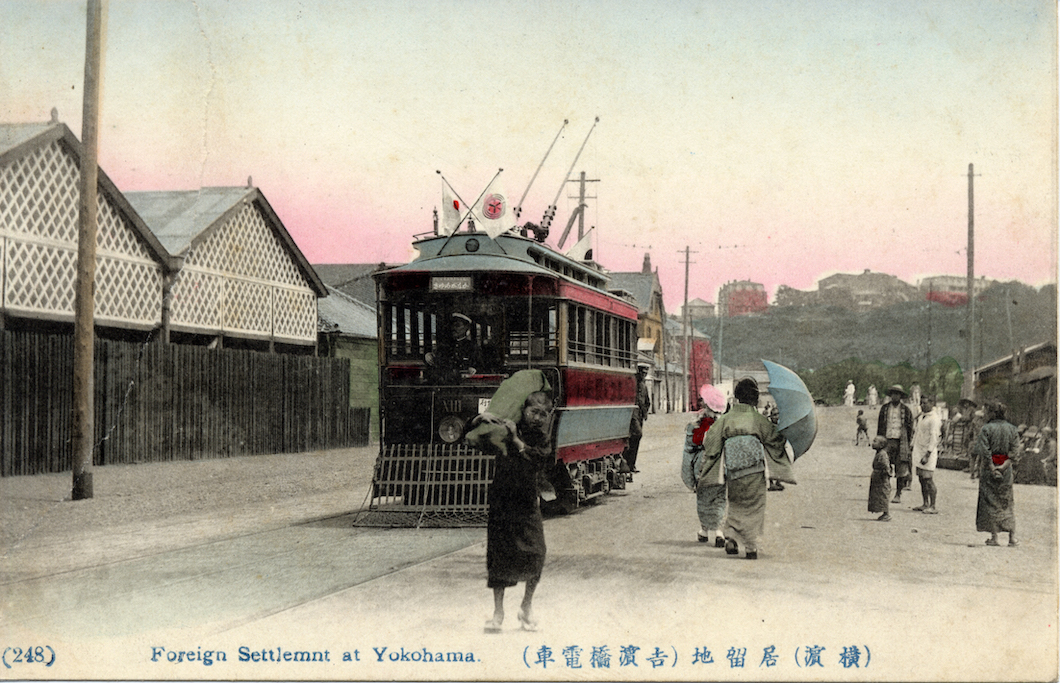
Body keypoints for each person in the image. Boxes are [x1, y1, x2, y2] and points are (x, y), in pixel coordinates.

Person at [475, 391, 554, 633]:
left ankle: (526, 606)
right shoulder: (507, 427)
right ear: (524, 410)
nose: (538, 418)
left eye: (543, 414)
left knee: (536, 552)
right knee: (499, 555)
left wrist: (517, 440)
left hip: (527, 502)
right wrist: (481, 420)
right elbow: (477, 438)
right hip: (502, 500)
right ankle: (498, 612)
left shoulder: (541, 438)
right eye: (533, 412)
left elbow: (538, 460)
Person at [695, 377, 793, 560]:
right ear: (755, 399)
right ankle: (750, 545)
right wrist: (783, 432)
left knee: (736, 502)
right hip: (754, 470)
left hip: (734, 470)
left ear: (737, 397)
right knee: (754, 505)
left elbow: (711, 442)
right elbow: (774, 440)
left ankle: (731, 538)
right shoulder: (758, 419)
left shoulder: (726, 419)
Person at [681, 384, 728, 547]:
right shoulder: (723, 425)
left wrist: (688, 475)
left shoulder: (696, 425)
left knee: (703, 498)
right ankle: (719, 532)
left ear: (706, 405)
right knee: (720, 497)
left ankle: (704, 531)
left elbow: (689, 448)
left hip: (701, 464)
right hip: (720, 465)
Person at [973, 400, 1020, 547]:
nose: (985, 415)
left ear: (993, 413)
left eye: (987, 412)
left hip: (989, 468)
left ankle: (994, 537)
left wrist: (992, 468)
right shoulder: (1012, 429)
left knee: (990, 500)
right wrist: (1004, 466)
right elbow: (1015, 452)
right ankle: (1012, 538)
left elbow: (983, 451)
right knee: (1006, 500)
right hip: (1006, 469)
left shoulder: (986, 429)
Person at [877, 385, 914, 504]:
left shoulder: (906, 410)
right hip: (887, 441)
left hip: (900, 442)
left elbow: (910, 427)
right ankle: (884, 491)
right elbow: (880, 426)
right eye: (893, 394)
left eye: (897, 394)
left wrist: (908, 443)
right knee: (884, 466)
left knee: (901, 468)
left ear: (901, 396)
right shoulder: (884, 408)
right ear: (890, 395)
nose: (895, 396)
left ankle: (898, 493)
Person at [910, 394, 943, 514]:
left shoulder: (934, 419)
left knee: (928, 479)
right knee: (921, 479)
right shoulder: (922, 416)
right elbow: (917, 432)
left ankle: (933, 506)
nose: (923, 405)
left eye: (925, 403)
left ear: (931, 404)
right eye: (921, 403)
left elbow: (934, 438)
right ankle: (925, 503)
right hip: (919, 450)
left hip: (928, 452)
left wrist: (927, 454)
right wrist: (912, 445)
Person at [425, 312, 481, 380]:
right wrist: (428, 356)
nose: (454, 328)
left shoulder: (472, 346)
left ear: (467, 327)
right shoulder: (445, 345)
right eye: (453, 325)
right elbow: (436, 363)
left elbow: (479, 365)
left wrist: (473, 369)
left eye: (457, 325)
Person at [623, 364, 651, 480]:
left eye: (645, 374)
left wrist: (645, 413)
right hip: (632, 414)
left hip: (640, 415)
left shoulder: (644, 386)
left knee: (635, 440)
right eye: (642, 373)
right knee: (637, 435)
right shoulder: (632, 383)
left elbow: (647, 401)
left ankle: (631, 465)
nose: (643, 376)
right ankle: (626, 463)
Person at [868, 435, 892, 521]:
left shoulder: (882, 454)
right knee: (878, 494)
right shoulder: (879, 453)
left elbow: (886, 466)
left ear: (881, 445)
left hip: (881, 478)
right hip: (877, 476)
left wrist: (885, 475)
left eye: (875, 441)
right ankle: (883, 512)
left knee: (883, 495)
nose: (872, 443)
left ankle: (886, 513)